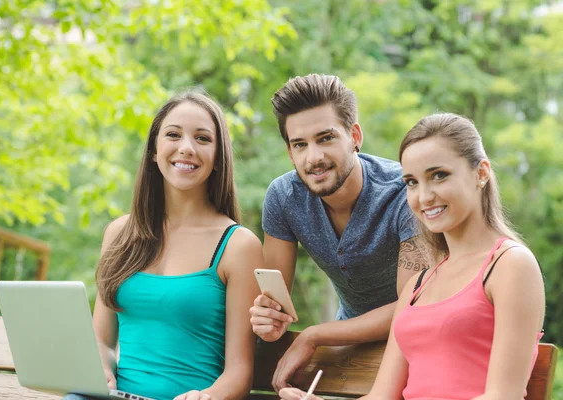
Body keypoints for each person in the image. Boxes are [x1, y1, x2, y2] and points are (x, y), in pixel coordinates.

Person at [279, 113, 546, 400]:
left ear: (481, 173)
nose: (424, 196)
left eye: (439, 176)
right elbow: (381, 396)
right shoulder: (418, 285)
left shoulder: (510, 266)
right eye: (412, 182)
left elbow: (503, 395)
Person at [64, 91, 263, 400]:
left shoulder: (239, 245)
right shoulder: (119, 234)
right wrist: (101, 369)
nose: (186, 148)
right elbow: (100, 340)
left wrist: (205, 397)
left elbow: (239, 372)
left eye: (202, 139)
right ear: (154, 151)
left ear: (218, 158)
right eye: (173, 135)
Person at [249, 74, 430, 393]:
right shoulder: (283, 197)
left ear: (355, 135)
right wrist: (269, 321)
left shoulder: (403, 194)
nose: (313, 157)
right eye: (300, 145)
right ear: (290, 152)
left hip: (419, 344)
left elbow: (412, 305)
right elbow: (275, 300)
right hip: (348, 343)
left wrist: (315, 334)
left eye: (326, 138)